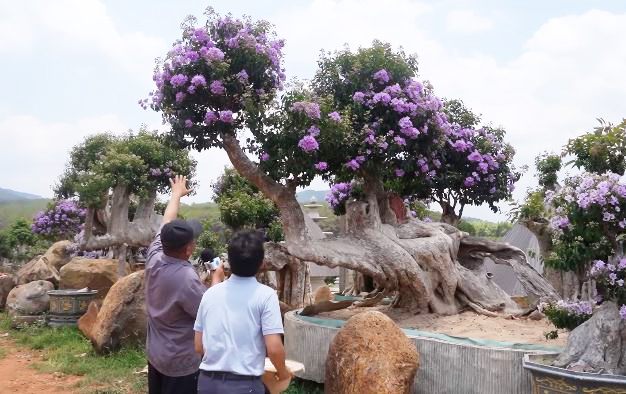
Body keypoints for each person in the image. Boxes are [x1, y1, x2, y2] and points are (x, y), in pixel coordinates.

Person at [145, 175, 225, 394]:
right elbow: (209, 310)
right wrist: (216, 279)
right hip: (180, 362)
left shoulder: (155, 254)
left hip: (156, 354)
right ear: (189, 249)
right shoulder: (185, 278)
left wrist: (176, 194)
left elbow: (166, 221)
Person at [194, 230, 292, 393]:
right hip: (244, 386)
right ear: (261, 262)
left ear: (229, 262)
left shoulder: (210, 294)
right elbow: (274, 348)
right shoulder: (266, 296)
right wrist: (283, 373)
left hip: (207, 383)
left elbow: (198, 345)